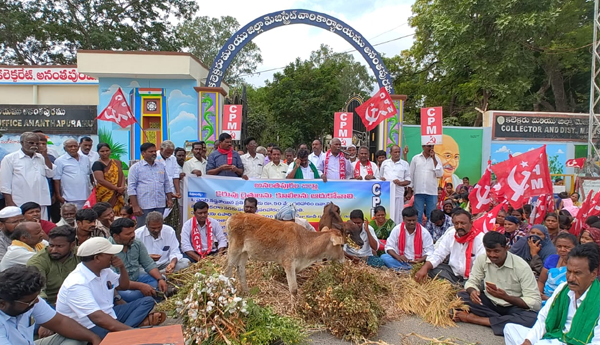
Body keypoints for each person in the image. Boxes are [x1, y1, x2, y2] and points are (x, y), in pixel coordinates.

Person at [56, 237, 162, 339]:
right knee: (111, 333)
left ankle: (125, 332)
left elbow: (124, 286)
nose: (113, 256)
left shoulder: (104, 271)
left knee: (147, 301)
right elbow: (98, 318)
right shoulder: (77, 283)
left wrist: (121, 267)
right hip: (87, 325)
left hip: (109, 313)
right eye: (109, 254)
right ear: (97, 258)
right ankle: (128, 332)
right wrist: (135, 334)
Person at [504, 243, 600, 345]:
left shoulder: (597, 299)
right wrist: (528, 341)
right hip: (556, 336)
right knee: (510, 329)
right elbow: (543, 319)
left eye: (577, 273)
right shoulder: (563, 289)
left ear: (593, 274)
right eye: (569, 272)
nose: (571, 278)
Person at [454, 231, 541, 336]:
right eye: (488, 251)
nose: (492, 255)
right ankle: (500, 321)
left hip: (512, 306)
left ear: (506, 248)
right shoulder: (482, 259)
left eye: (496, 251)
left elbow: (535, 303)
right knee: (462, 296)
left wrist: (506, 297)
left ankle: (476, 319)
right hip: (490, 303)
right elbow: (472, 281)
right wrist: (472, 291)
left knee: (532, 318)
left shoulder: (521, 266)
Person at [0, 265, 102, 345]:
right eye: (30, 301)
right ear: (2, 304)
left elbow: (60, 322)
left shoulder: (27, 300)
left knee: (77, 336)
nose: (36, 302)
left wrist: (94, 338)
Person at [414, 209, 486, 285]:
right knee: (430, 269)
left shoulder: (481, 239)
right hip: (453, 274)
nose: (459, 226)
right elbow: (439, 254)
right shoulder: (451, 234)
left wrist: (471, 284)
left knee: (482, 283)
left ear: (471, 223)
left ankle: (460, 288)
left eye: (463, 223)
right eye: (456, 223)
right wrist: (424, 268)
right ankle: (456, 287)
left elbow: (479, 269)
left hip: (472, 278)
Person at [109, 218, 167, 302]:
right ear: (116, 236)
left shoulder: (136, 242)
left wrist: (160, 279)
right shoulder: (108, 250)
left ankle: (149, 298)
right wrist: (141, 286)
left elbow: (148, 264)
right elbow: (115, 281)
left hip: (137, 278)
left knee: (156, 283)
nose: (133, 235)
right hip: (121, 286)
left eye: (133, 232)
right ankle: (150, 299)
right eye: (128, 234)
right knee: (131, 295)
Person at [0, 132, 55, 219]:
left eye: (37, 143)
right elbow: (4, 185)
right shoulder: (10, 158)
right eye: (31, 143)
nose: (34, 145)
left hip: (40, 202)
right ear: (22, 143)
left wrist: (45, 156)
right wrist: (10, 203)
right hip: (21, 203)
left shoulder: (40, 157)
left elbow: (51, 173)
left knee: (41, 226)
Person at [27, 225, 80, 306]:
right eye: (51, 245)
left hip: (78, 299)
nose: (53, 250)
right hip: (50, 304)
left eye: (59, 246)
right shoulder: (38, 261)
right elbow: (38, 293)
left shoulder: (81, 254)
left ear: (72, 245)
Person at [127, 143, 174, 227]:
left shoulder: (161, 166)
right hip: (144, 206)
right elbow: (131, 188)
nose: (153, 153)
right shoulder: (135, 168)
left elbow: (166, 184)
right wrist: (135, 206)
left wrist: (169, 199)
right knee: (143, 228)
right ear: (143, 153)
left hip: (160, 204)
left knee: (158, 227)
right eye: (150, 151)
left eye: (154, 151)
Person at [537, 232, 578, 303]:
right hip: (543, 299)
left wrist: (549, 299)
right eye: (559, 246)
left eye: (567, 247)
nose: (562, 249)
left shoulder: (578, 264)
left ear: (575, 247)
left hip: (564, 302)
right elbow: (541, 281)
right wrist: (539, 294)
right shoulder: (552, 259)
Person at [53, 139, 92, 210]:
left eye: (75, 146)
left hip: (85, 196)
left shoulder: (85, 158)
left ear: (78, 147)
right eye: (70, 147)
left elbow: (89, 175)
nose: (73, 148)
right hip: (69, 197)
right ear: (65, 149)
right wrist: (58, 195)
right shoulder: (60, 161)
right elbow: (56, 179)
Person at [409, 144, 443, 224]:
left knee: (431, 215)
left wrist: (434, 159)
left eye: (432, 146)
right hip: (419, 191)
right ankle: (419, 233)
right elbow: (411, 174)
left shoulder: (437, 159)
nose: (430, 148)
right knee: (418, 214)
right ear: (423, 147)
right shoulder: (416, 158)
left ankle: (430, 233)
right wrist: (410, 190)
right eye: (428, 146)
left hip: (432, 192)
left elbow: (439, 174)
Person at [380, 145, 411, 224]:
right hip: (386, 194)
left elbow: (408, 180)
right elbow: (380, 177)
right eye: (395, 152)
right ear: (390, 153)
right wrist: (382, 179)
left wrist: (400, 183)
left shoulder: (405, 164)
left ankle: (397, 231)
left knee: (398, 215)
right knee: (386, 212)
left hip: (398, 194)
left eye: (398, 152)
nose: (397, 154)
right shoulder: (385, 163)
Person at [92, 143, 125, 213]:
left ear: (110, 151)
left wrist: (122, 187)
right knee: (105, 212)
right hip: (105, 193)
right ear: (98, 152)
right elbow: (100, 180)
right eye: (102, 151)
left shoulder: (116, 162)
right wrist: (116, 188)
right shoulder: (97, 164)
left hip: (118, 193)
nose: (105, 153)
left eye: (107, 150)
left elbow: (121, 175)